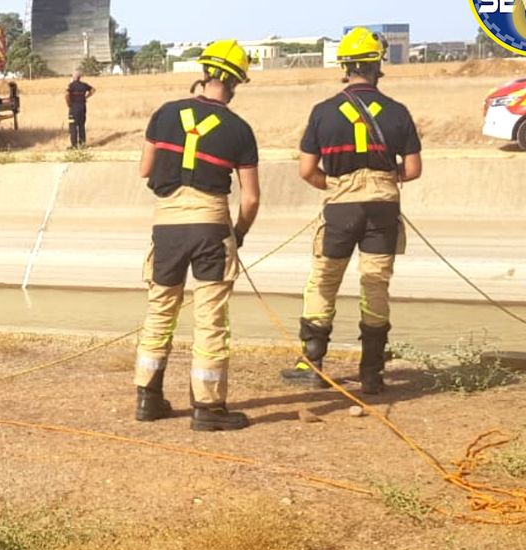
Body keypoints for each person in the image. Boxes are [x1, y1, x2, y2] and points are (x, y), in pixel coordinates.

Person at [281, 27, 423, 395]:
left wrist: (334, 186)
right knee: (375, 283)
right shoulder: (397, 112)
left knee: (324, 281)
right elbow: (413, 169)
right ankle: (372, 372)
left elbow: (306, 170)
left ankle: (312, 365)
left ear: (345, 67)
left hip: (341, 208)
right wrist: (384, 179)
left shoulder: (323, 112)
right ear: (378, 67)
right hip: (383, 208)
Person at [134, 39, 260, 432]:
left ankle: (147, 399)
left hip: (167, 225)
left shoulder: (166, 114)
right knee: (210, 319)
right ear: (237, 81)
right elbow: (251, 198)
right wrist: (237, 234)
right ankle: (207, 408)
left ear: (203, 72)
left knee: (160, 311)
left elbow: (144, 170)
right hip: (211, 225)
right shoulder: (240, 130)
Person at [65, 70, 95, 149]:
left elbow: (66, 95)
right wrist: (86, 97)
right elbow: (93, 90)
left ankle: (74, 145)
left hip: (73, 108)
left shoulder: (70, 85)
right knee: (81, 126)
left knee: (73, 126)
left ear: (74, 77)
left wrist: (69, 104)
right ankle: (82, 145)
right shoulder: (84, 85)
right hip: (82, 107)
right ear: (79, 77)